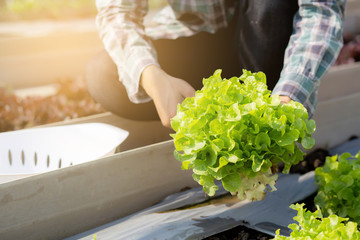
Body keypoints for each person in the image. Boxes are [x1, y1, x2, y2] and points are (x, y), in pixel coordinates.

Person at [87, 0, 346, 128]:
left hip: (267, 37)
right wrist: (151, 75)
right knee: (105, 75)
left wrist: (292, 92)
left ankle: (265, 105)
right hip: (201, 37)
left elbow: (320, 12)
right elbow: (116, 13)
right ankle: (218, 118)